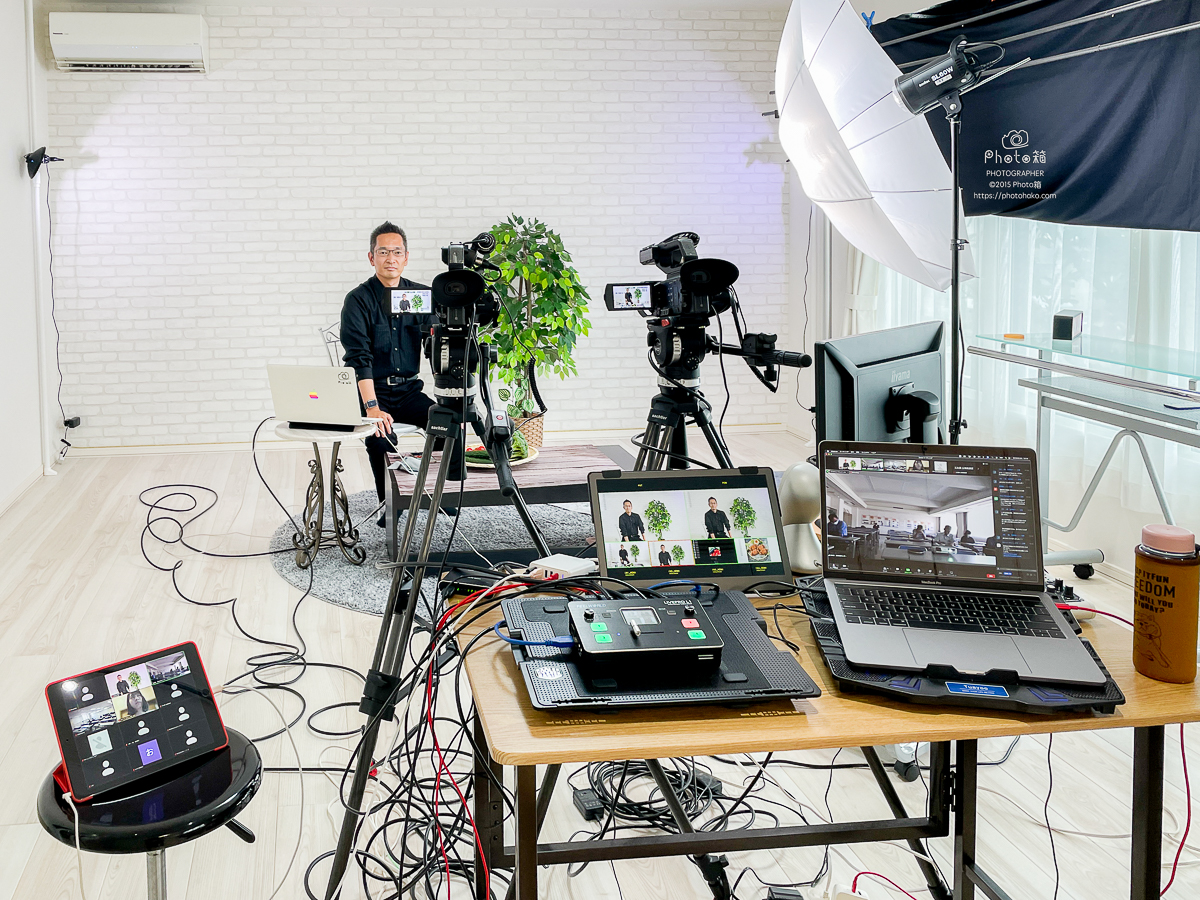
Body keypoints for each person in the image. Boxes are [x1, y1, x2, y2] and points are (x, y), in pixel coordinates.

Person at [340, 222, 462, 525]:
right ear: (372, 258)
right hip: (372, 392)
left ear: (406, 258)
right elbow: (358, 359)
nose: (390, 258)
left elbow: (438, 343)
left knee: (449, 425)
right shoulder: (358, 300)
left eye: (396, 252)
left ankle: (437, 495)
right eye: (383, 252)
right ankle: (391, 504)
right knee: (380, 437)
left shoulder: (421, 296)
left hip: (409, 391)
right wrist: (372, 408)